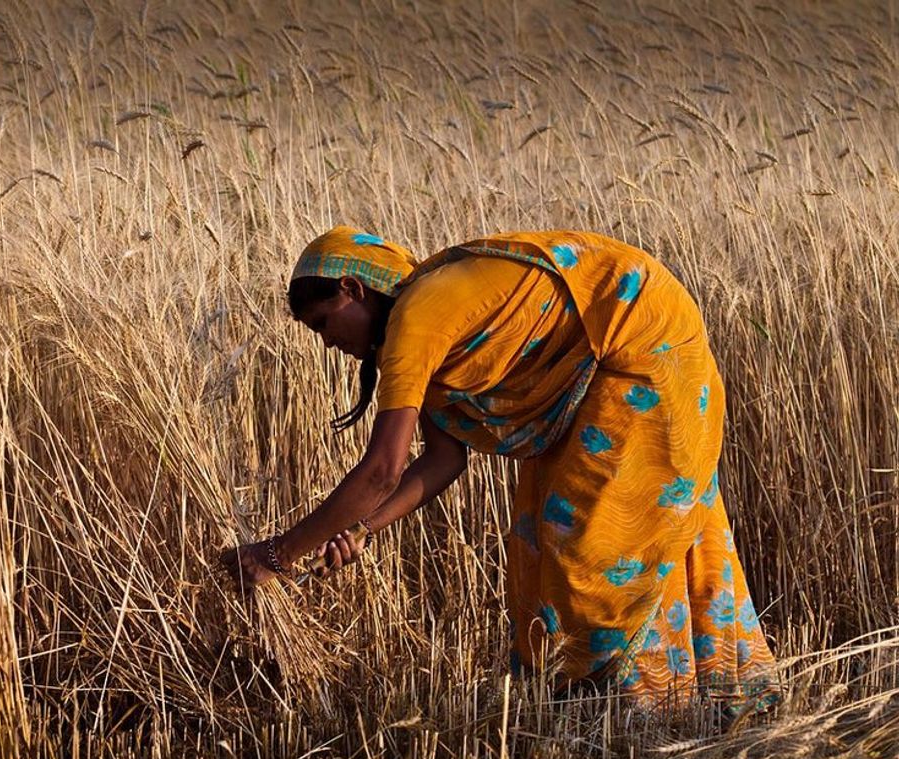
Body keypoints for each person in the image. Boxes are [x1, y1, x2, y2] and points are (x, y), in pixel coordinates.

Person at [221, 226, 779, 713]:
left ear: (353, 289)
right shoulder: (421, 329)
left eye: (324, 323)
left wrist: (277, 556)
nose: (329, 343)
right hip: (594, 374)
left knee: (590, 553)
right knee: (537, 542)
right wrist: (362, 532)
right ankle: (607, 713)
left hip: (642, 346)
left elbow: (381, 472)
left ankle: (646, 711)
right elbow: (443, 460)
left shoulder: (421, 315)